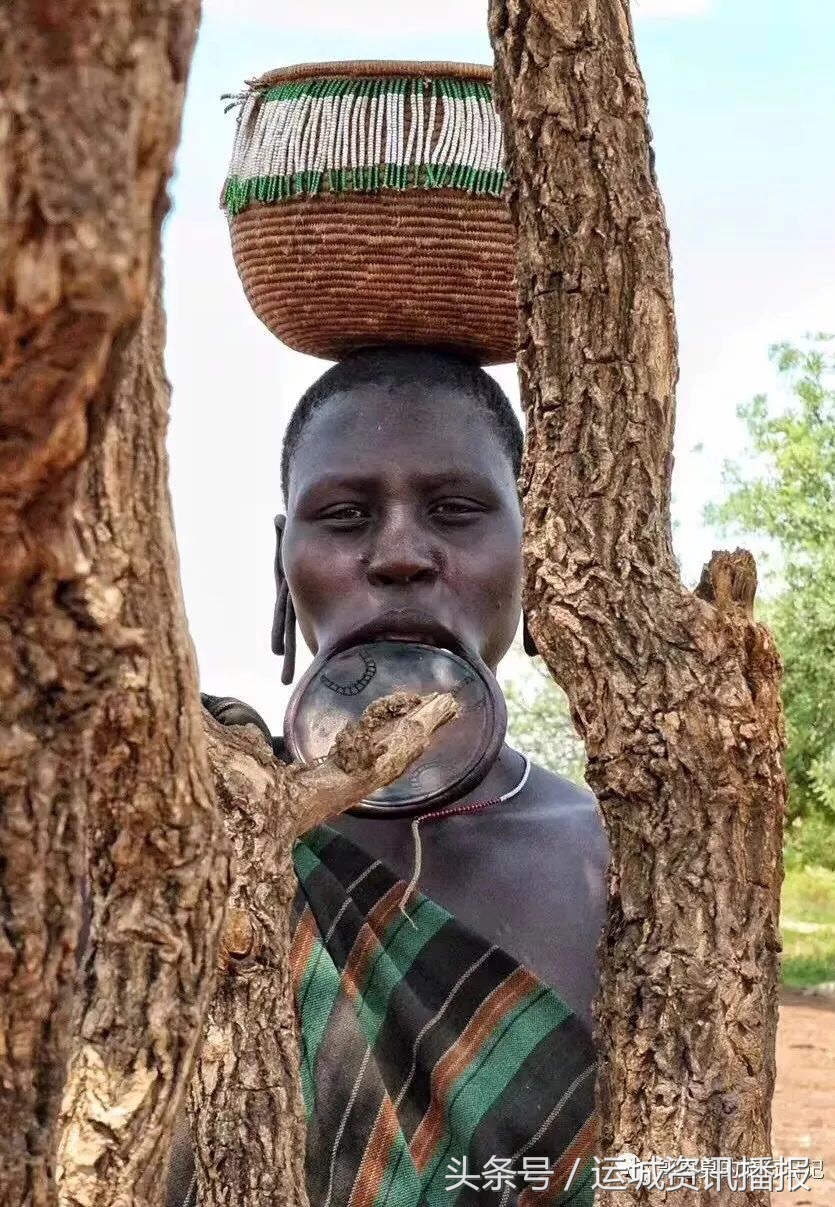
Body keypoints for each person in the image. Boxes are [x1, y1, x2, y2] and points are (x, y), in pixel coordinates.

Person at [168, 345, 609, 1206]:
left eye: (454, 509)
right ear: (279, 563)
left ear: (533, 551)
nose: (401, 553)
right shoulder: (174, 832)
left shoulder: (618, 861)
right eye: (343, 514)